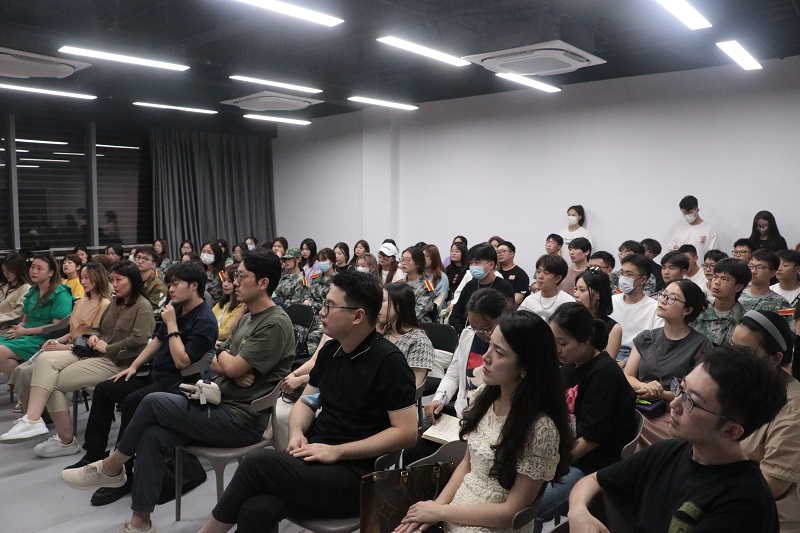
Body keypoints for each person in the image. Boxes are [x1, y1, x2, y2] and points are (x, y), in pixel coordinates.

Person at [63, 250, 295, 533]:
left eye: (242, 276)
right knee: (152, 434)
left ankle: (112, 467)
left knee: (152, 402)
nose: (234, 282)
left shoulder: (274, 322)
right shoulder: (246, 318)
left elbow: (222, 363)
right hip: (217, 402)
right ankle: (140, 523)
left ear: (263, 283)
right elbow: (216, 358)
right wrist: (228, 366)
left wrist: (229, 365)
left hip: (242, 420)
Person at [194, 270, 418, 532]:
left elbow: (406, 433)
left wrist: (338, 451)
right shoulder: (331, 351)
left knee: (257, 462)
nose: (321, 312)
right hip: (316, 461)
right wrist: (297, 432)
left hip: (357, 475)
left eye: (330, 306)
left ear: (358, 316)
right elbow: (307, 401)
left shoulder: (389, 362)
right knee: (256, 507)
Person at [567, 346, 786, 533]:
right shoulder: (667, 452)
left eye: (691, 401)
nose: (674, 404)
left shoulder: (746, 503)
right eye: (681, 388)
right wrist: (578, 511)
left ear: (731, 431)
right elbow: (594, 480)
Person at [397, 309, 574, 533]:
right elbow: (467, 465)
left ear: (526, 367)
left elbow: (511, 513)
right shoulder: (484, 396)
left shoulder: (540, 429)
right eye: (490, 345)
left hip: (493, 523)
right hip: (459, 507)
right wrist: (435, 508)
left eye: (499, 352)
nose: (486, 357)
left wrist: (440, 512)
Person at [64, 261, 218, 506]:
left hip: (180, 384)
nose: (171, 289)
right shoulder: (177, 309)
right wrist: (134, 367)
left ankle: (122, 472)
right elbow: (157, 342)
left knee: (132, 402)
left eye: (176, 284)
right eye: (169, 284)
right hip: (156, 375)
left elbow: (182, 361)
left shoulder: (204, 320)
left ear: (194, 286)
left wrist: (172, 325)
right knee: (105, 389)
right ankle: (94, 454)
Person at [0, 262, 151, 451]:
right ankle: (35, 419)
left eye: (118, 280)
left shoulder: (142, 306)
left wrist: (108, 347)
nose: (114, 284)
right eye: (113, 279)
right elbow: (97, 328)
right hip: (96, 354)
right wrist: (94, 335)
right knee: (46, 368)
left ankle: (63, 439)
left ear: (133, 281)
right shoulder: (115, 303)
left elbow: (139, 340)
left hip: (116, 361)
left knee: (50, 381)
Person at [537, 303, 636, 522]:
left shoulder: (604, 374)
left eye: (563, 343)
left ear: (586, 340)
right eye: (553, 341)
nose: (557, 349)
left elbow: (591, 440)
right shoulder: (571, 365)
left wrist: (551, 465)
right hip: (566, 450)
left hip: (591, 464)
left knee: (532, 507)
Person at [733, 310, 800, 532]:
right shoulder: (743, 386)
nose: (734, 358)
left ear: (775, 359)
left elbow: (773, 484)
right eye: (732, 347)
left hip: (767, 516)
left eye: (745, 352)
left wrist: (714, 494)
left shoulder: (794, 407)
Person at [624, 280, 711, 445]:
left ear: (687, 310)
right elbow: (628, 375)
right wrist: (645, 387)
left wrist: (661, 394)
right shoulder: (646, 338)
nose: (663, 300)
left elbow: (696, 394)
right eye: (663, 294)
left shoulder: (701, 345)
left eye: (672, 298)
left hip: (677, 412)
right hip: (640, 405)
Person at [427, 288, 510, 422]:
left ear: (502, 319)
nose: (480, 334)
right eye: (475, 327)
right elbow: (453, 375)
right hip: (464, 413)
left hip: (493, 418)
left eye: (486, 329)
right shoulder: (468, 335)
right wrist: (439, 399)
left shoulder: (508, 346)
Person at [0, 254, 73, 379]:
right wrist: (17, 329)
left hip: (45, 338)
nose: (34, 271)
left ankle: (24, 385)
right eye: (32, 267)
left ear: (50, 273)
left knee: (1, 351)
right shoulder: (33, 291)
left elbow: (57, 327)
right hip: (27, 334)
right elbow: (25, 321)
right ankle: (23, 384)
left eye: (39, 268)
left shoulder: (60, 293)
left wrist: (25, 331)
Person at [609, 254, 664, 365]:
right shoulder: (611, 302)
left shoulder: (655, 308)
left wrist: (625, 363)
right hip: (609, 354)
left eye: (628, 274)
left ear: (643, 279)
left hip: (637, 359)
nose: (623, 278)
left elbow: (654, 345)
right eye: (622, 273)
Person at [378, 283, 434, 388]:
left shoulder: (419, 341)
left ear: (398, 305)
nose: (377, 306)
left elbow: (413, 386)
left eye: (382, 301)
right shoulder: (382, 334)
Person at [449, 243, 514, 335]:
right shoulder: (470, 285)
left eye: (477, 262)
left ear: (491, 264)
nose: (473, 266)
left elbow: (508, 319)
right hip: (468, 334)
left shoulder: (504, 286)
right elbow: (455, 315)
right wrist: (463, 332)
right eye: (471, 263)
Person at [693, 257, 751, 347]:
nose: (716, 282)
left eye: (724, 279)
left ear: (738, 287)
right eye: (715, 277)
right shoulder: (698, 308)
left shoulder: (744, 320)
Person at [573, 267, 622, 360]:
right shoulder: (571, 318)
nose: (576, 294)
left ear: (598, 294)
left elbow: (607, 363)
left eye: (582, 290)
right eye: (576, 289)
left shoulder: (614, 329)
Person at [520, 254, 575, 321]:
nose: (540, 276)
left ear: (558, 278)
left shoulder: (568, 302)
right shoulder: (529, 300)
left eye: (546, 273)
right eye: (538, 271)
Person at [738, 249, 791, 314]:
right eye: (750, 266)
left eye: (760, 268)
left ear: (772, 273)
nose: (753, 271)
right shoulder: (737, 296)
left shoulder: (781, 303)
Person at [305, 248, 336, 355]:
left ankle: (314, 359)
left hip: (328, 317)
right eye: (319, 260)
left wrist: (312, 303)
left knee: (313, 336)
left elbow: (331, 303)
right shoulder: (315, 278)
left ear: (332, 261)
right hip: (313, 315)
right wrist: (308, 301)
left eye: (324, 260)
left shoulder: (338, 280)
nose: (321, 263)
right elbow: (308, 296)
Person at [668, 195, 718, 260]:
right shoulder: (679, 230)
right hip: (682, 265)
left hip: (700, 265)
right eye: (684, 213)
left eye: (689, 213)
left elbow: (713, 255)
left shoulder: (709, 229)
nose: (687, 215)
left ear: (697, 210)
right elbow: (671, 248)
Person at [400, 246, 436, 323]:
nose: (403, 263)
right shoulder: (399, 283)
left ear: (418, 264)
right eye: (402, 259)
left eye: (408, 260)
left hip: (419, 325)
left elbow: (417, 313)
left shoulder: (426, 287)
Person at [211, 265, 245, 344]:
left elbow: (227, 333)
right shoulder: (221, 303)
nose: (225, 284)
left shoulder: (241, 307)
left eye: (229, 281)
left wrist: (206, 331)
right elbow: (207, 320)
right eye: (224, 280)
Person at [0, 253, 32, 326]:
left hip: (10, 326)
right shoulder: (3, 286)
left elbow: (19, 314)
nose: (6, 274)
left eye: (9, 270)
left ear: (18, 269)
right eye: (4, 270)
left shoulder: (26, 288)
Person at [132, 247, 167, 313]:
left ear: (153, 265)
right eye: (138, 257)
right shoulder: (130, 280)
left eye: (145, 259)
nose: (140, 261)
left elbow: (155, 310)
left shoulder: (158, 286)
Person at [424, 244, 449, 310]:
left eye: (427, 256)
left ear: (434, 258)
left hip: (434, 311)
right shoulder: (420, 274)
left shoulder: (442, 277)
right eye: (423, 256)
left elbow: (439, 301)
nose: (424, 258)